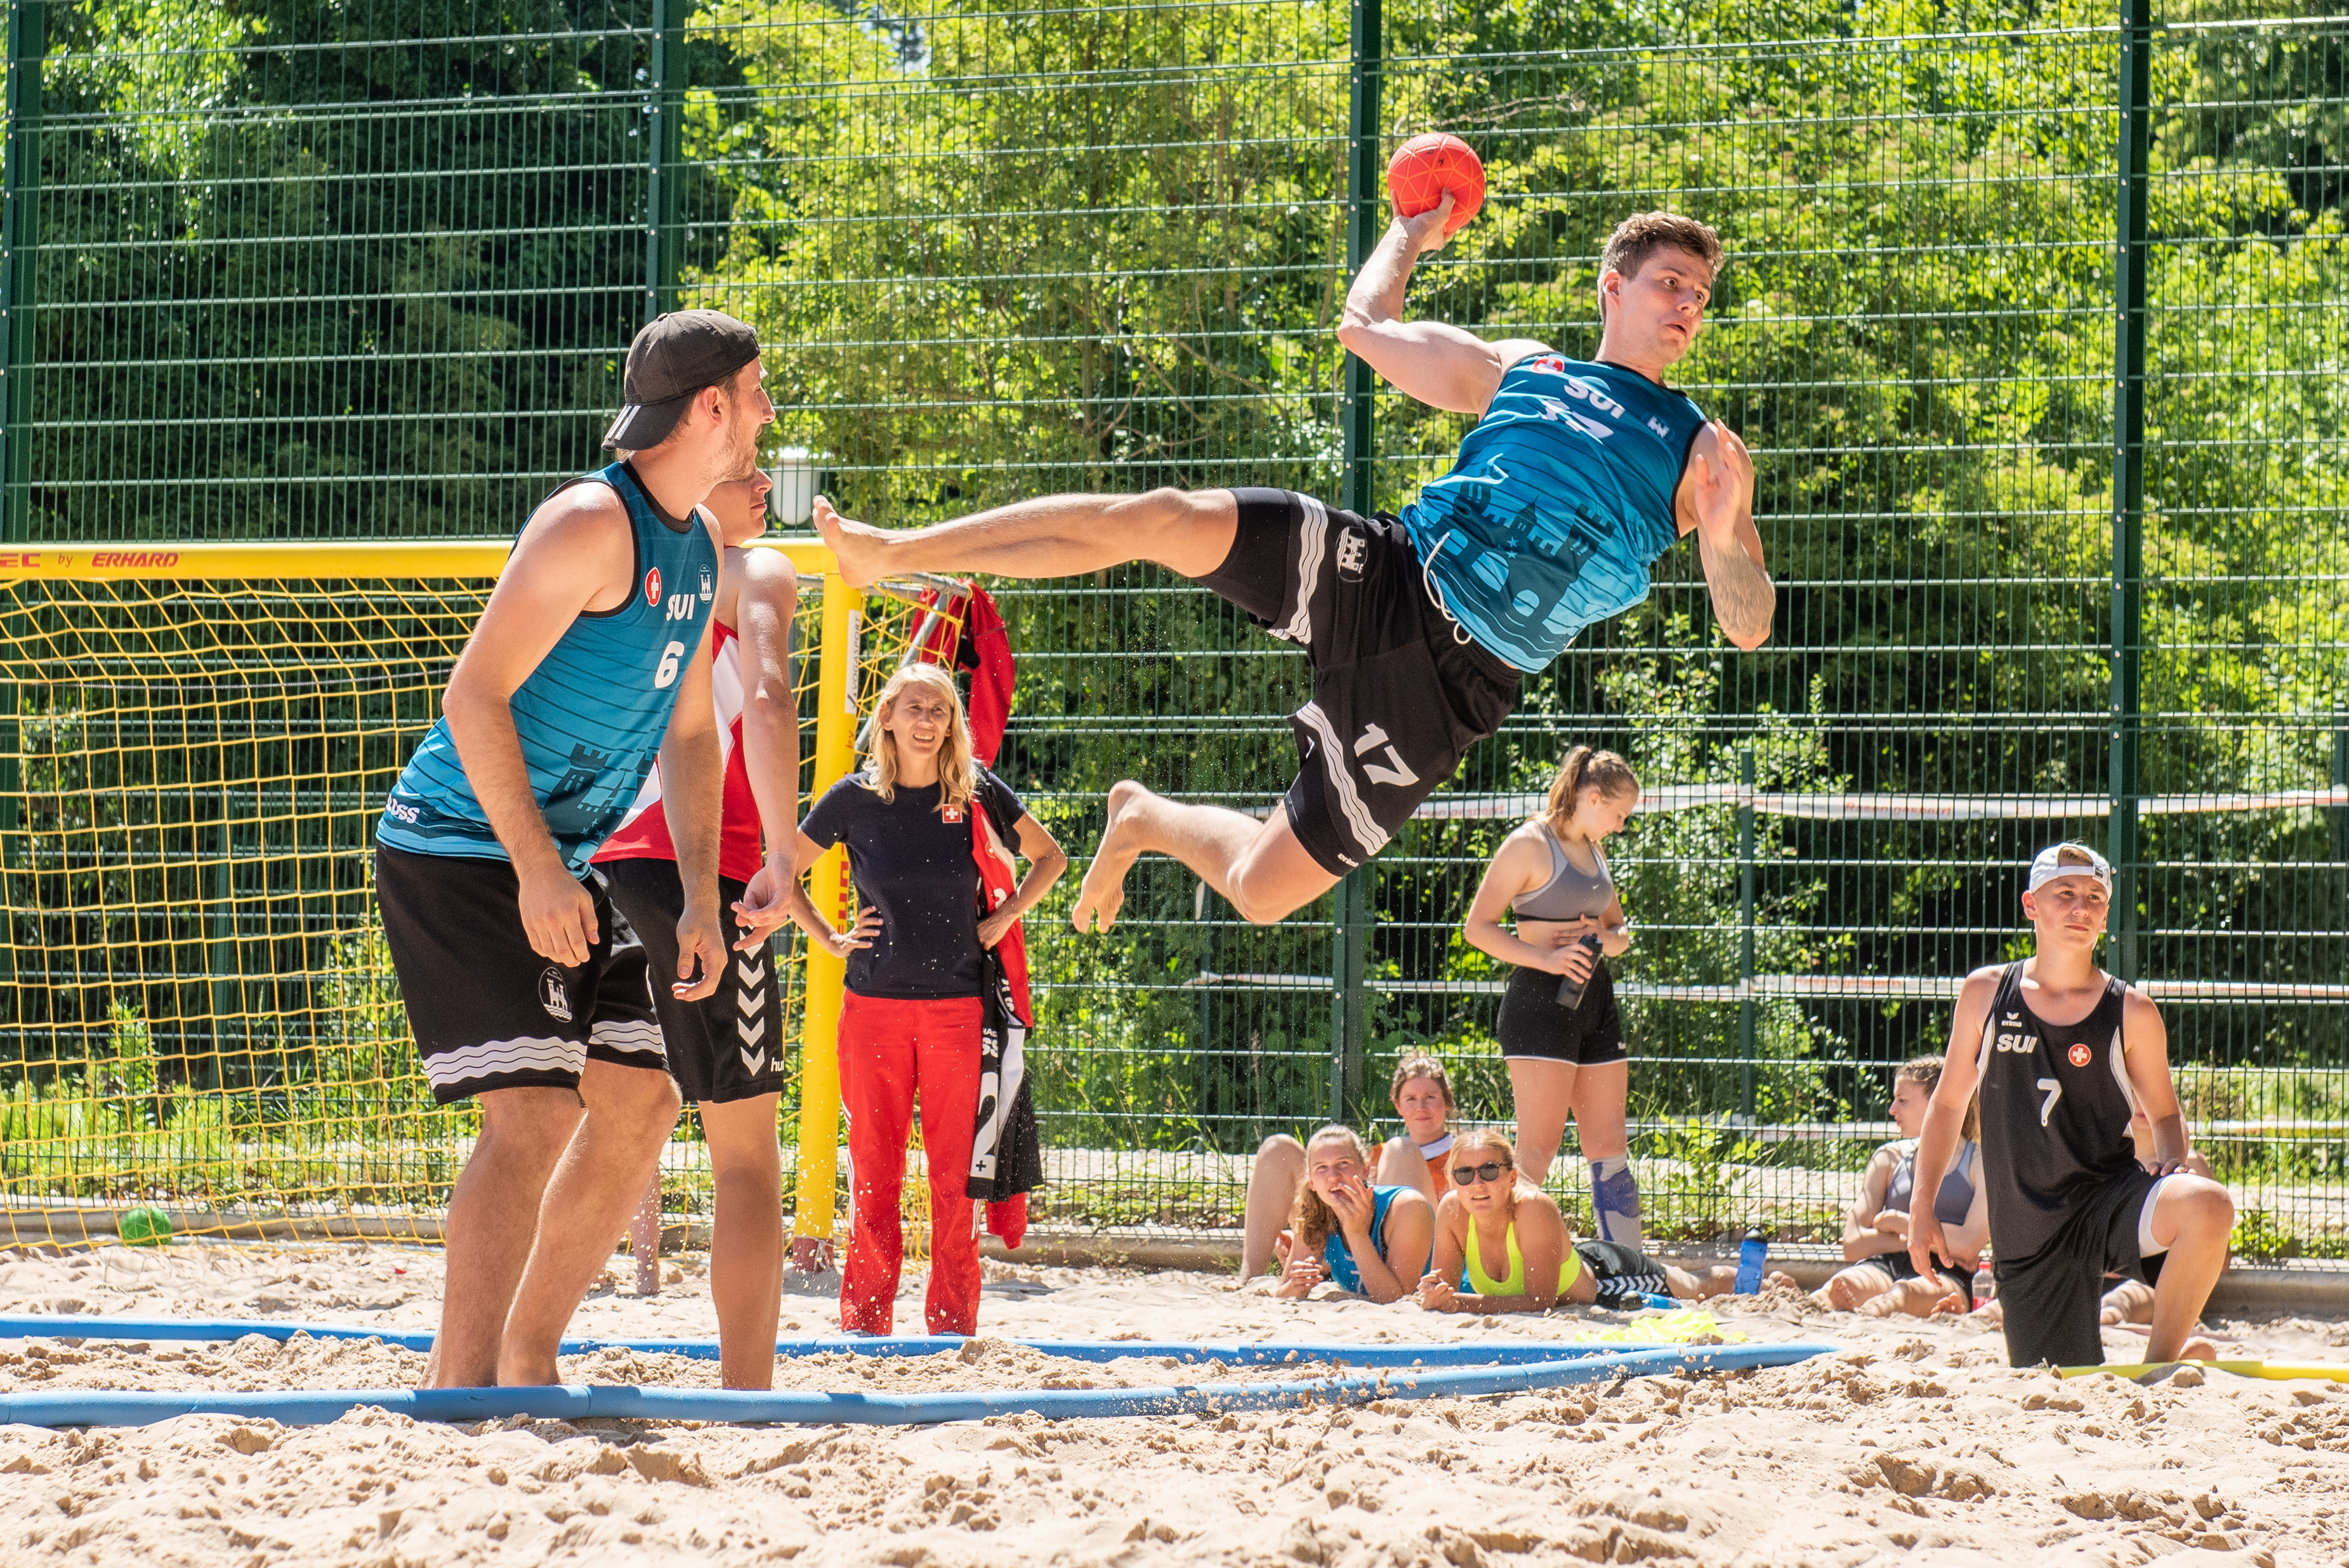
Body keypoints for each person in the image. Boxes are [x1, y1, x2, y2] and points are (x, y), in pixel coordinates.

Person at [812, 206, 1771, 933]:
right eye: (1670, 282)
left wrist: (1725, 532)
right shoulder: (1530, 368)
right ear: (1612, 286)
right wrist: (1408, 231)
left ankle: (1141, 817)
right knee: (1163, 515)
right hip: (1389, 570)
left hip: (1454, 685)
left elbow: (1748, 622)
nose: (1688, 304)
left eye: (1700, 294)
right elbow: (1364, 325)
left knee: (1263, 891)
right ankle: (895, 548)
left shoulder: (1703, 450)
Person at [372, 309, 772, 1387]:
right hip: (464, 846)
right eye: (756, 392)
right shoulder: (591, 523)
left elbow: (692, 734)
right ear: (710, 407)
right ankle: (460, 1393)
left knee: (642, 1100)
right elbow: (472, 695)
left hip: (573, 854)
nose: (768, 413)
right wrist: (540, 870)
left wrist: (702, 897)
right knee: (536, 1113)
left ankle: (525, 1358)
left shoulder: (697, 547)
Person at [779, 663, 1067, 1335]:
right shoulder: (853, 798)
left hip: (958, 1011)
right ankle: (866, 1323)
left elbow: (1051, 857)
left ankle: (952, 1326)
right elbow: (782, 870)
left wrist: (1006, 915)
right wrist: (828, 936)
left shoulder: (975, 791)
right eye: (915, 707)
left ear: (953, 724)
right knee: (874, 1176)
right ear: (886, 717)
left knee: (954, 1181)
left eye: (940, 710)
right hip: (872, 1010)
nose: (928, 720)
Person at [591, 468, 800, 1389]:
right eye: (746, 459)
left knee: (594, 1127)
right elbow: (770, 697)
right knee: (746, 1158)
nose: (766, 479)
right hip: (697, 871)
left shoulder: (620, 558)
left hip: (591, 856)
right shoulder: (754, 569)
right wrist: (784, 856)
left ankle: (514, 1351)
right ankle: (748, 1394)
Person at [1909, 843, 2235, 1368]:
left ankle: (2159, 1364)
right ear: (2031, 904)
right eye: (2065, 893)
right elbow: (1947, 1105)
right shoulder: (1986, 993)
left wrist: (2172, 1160)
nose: (2081, 906)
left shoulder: (2132, 1010)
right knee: (2062, 1378)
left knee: (2209, 1204)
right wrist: (1921, 1206)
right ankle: (2178, 1355)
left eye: (2094, 896)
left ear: (2106, 916)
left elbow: (2166, 1115)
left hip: (2106, 1200)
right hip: (2028, 1232)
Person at [1461, 745, 1642, 1244]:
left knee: (1610, 1146)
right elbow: (1477, 928)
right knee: (1537, 1151)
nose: (1621, 827)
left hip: (1595, 1000)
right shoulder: (1528, 843)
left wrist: (1606, 938)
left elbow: (1620, 931)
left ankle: (1628, 1266)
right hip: (1541, 1002)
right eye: (1620, 814)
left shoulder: (1595, 849)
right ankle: (1502, 1263)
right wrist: (1549, 959)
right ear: (1593, 797)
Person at [1415, 1129, 1747, 1314]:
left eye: (1489, 1171)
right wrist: (1436, 1294)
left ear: (1512, 1178)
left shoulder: (1533, 1208)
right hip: (1576, 1268)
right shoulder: (1452, 1211)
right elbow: (1444, 1293)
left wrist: (1456, 1303)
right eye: (1464, 1174)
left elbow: (1539, 1303)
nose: (1477, 1184)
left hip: (1609, 1279)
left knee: (1698, 1288)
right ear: (1453, 1181)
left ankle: (1756, 1279)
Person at [1240, 1053, 1460, 1280]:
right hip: (1350, 1242)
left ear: (1447, 1100)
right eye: (1411, 1099)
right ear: (1398, 1105)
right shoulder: (1377, 1155)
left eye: (1430, 1097)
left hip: (1419, 1254)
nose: (1421, 1107)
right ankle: (1249, 1279)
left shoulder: (1464, 1159)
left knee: (1400, 1150)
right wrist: (1305, 1237)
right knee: (1277, 1148)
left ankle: (1375, 1271)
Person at [1812, 1055, 1987, 1317]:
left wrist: (1899, 1223)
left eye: (1902, 1101)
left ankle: (1869, 1317)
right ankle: (1792, 1302)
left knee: (1904, 1294)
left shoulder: (1979, 1160)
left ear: (1938, 1102)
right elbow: (1852, 1244)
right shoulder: (1889, 1157)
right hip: (1885, 1265)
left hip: (1947, 1272)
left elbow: (1969, 1245)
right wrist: (1921, 1240)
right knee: (1840, 1286)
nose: (1892, 1110)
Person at [1269, 1126, 1435, 1304]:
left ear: (1365, 1170)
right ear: (1311, 1182)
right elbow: (1282, 1297)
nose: (1333, 1177)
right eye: (1322, 1168)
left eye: (1343, 1164)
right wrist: (1297, 1285)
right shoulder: (1316, 1215)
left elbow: (1396, 1300)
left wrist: (1356, 1233)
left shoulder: (1407, 1207)